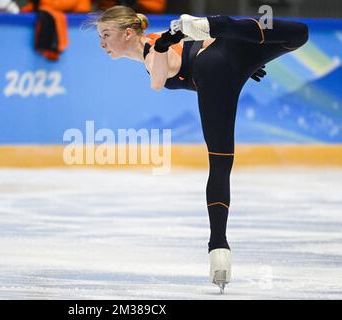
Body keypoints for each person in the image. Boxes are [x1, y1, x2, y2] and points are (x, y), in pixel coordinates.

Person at [95, 5, 308, 293]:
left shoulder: (151, 50)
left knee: (220, 165)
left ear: (128, 33)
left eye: (106, 34)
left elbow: (157, 82)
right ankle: (216, 24)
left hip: (216, 67)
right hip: (229, 52)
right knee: (298, 35)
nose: (102, 43)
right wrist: (240, 63)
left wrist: (160, 48)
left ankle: (218, 247)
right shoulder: (159, 42)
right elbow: (193, 51)